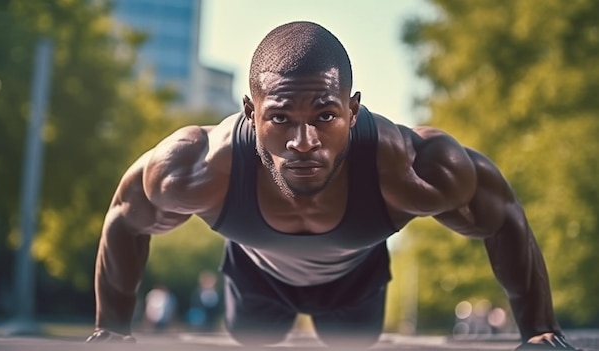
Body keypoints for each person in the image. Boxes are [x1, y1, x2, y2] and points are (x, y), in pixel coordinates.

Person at [85, 21, 579, 350]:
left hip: (355, 287)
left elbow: (503, 214)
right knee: (254, 337)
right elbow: (125, 219)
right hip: (255, 281)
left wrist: (539, 331)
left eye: (325, 115)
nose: (304, 142)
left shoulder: (415, 167)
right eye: (280, 118)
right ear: (251, 114)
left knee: (352, 342)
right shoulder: (194, 166)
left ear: (353, 110)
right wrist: (111, 329)